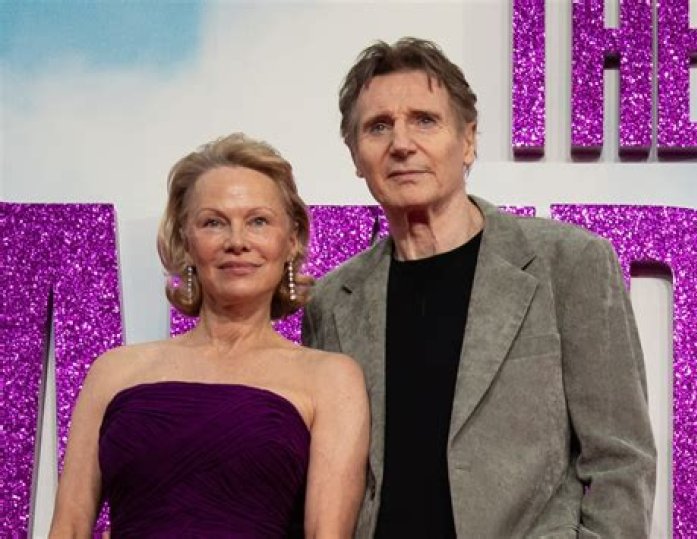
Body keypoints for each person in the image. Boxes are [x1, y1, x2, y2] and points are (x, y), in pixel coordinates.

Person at [302, 38, 656, 538]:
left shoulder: (569, 263)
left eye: (425, 120)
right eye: (378, 126)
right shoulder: (332, 301)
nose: (401, 144)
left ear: (467, 140)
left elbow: (621, 459)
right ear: (356, 156)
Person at [49, 133, 370, 537]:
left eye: (258, 221)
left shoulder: (330, 378)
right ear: (186, 241)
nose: (237, 242)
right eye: (213, 222)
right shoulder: (114, 372)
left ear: (291, 241)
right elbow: (68, 528)